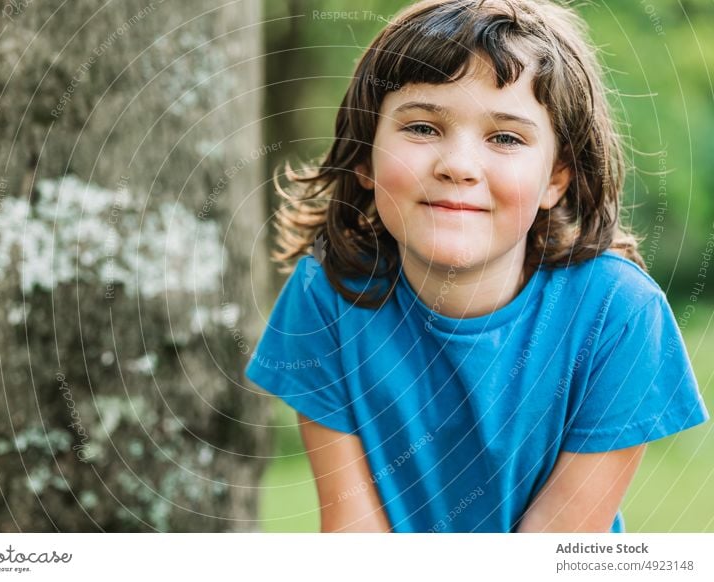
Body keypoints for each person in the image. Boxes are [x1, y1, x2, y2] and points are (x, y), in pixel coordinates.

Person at [244, 0, 709, 532]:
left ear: (556, 178)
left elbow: (557, 548)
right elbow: (354, 533)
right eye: (422, 128)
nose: (459, 166)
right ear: (363, 157)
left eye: (505, 138)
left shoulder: (619, 315)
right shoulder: (326, 295)